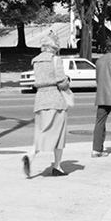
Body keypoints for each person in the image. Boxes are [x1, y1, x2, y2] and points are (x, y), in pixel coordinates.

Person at [22, 30, 71, 178]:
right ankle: (56, 166)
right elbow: (61, 81)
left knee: (42, 130)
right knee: (58, 133)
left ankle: (32, 155)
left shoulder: (36, 60)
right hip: (55, 99)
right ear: (54, 46)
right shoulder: (55, 59)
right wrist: (68, 82)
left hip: (40, 99)